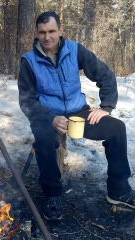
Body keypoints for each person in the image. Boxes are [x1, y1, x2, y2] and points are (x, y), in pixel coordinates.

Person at [18, 10, 135, 222]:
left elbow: (105, 75)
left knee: (117, 128)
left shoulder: (75, 50)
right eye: (42, 32)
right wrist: (49, 117)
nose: (47, 37)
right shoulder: (29, 61)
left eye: (52, 31)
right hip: (47, 115)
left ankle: (118, 191)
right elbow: (26, 100)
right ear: (36, 33)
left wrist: (106, 107)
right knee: (44, 140)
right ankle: (52, 194)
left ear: (60, 30)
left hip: (78, 112)